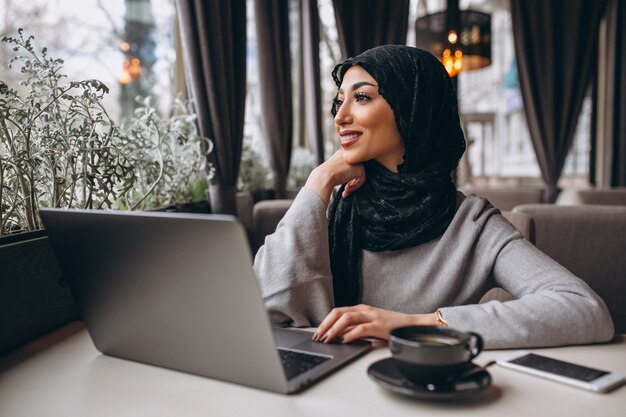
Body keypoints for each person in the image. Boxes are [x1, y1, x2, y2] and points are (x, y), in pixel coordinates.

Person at [253, 45, 614, 349]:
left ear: (413, 111)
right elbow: (263, 308)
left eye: (361, 97)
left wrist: (417, 325)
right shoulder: (329, 204)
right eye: (339, 101)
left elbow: (584, 309)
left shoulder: (471, 223)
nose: (341, 116)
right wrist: (320, 178)